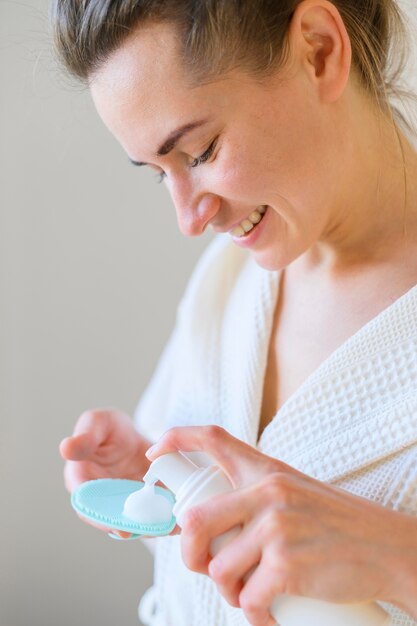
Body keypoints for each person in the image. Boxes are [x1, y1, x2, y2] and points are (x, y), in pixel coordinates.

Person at [52, 1, 417, 625]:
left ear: (318, 50)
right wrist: (156, 475)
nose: (189, 220)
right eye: (157, 173)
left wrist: (396, 557)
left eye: (200, 151)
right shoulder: (230, 281)